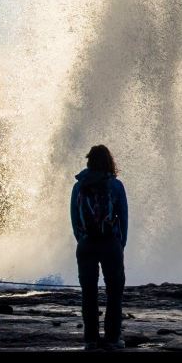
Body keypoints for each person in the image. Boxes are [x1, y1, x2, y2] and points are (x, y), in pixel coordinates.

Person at [70, 144, 129, 350]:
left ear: (89, 161)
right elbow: (123, 217)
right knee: (114, 291)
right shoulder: (115, 185)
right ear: (109, 162)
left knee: (89, 292)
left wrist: (83, 239)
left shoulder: (79, 185)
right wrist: (120, 243)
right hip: (110, 243)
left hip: (86, 245)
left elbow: (74, 218)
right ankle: (113, 338)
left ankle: (91, 340)